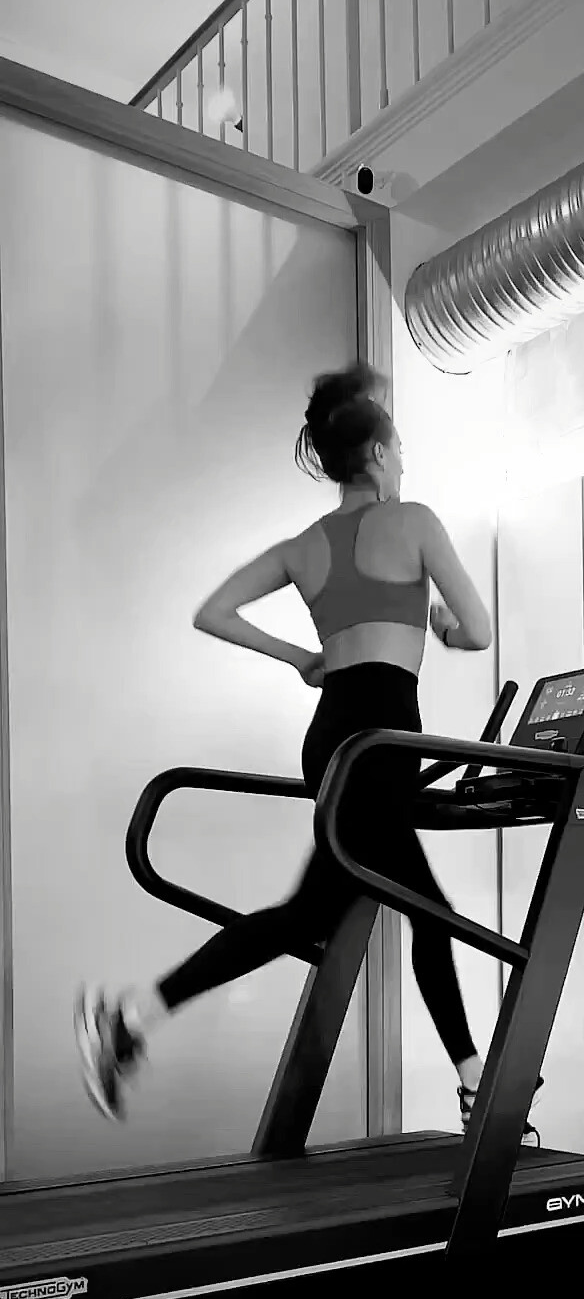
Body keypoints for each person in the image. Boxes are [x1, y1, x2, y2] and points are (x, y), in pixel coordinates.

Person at [76, 361, 542, 1142]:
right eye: (400, 450)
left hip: (330, 739)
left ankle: (133, 1019)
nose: (404, 464)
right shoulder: (415, 521)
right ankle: (475, 1085)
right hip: (384, 737)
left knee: (312, 914)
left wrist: (301, 658)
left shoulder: (304, 546)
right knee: (427, 912)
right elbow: (479, 632)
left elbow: (213, 611)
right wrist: (438, 625)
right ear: (379, 453)